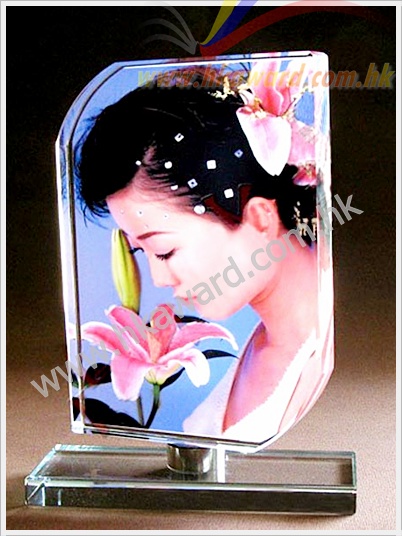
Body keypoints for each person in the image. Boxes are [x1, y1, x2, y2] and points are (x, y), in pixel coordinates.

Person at [75, 63, 333, 444]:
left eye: (164, 250)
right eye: (139, 251)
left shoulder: (324, 353)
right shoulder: (265, 344)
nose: (158, 279)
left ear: (260, 218)